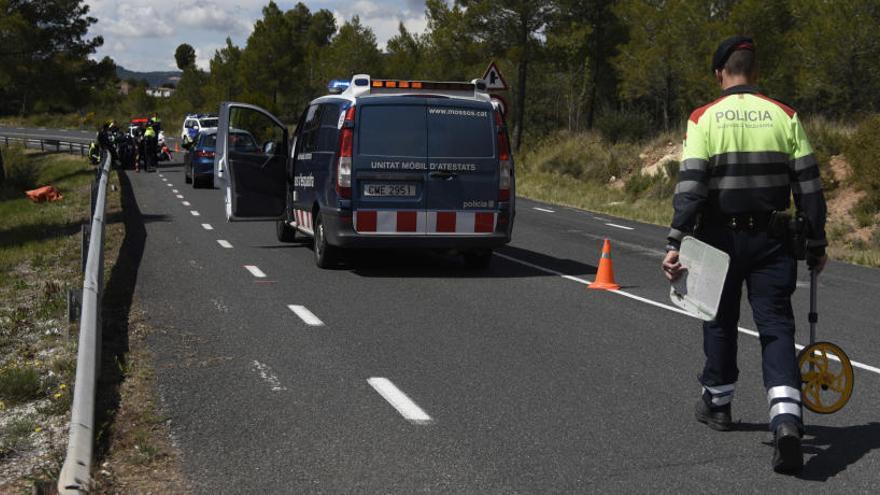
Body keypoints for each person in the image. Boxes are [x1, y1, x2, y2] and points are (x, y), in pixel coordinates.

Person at [661, 36, 828, 475]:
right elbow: (809, 186)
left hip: (718, 237)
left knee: (719, 318)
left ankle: (718, 403)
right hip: (773, 240)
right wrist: (817, 242)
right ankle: (787, 420)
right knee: (775, 326)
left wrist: (675, 240)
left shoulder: (704, 119)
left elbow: (692, 187)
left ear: (721, 73)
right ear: (755, 72)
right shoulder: (785, 115)